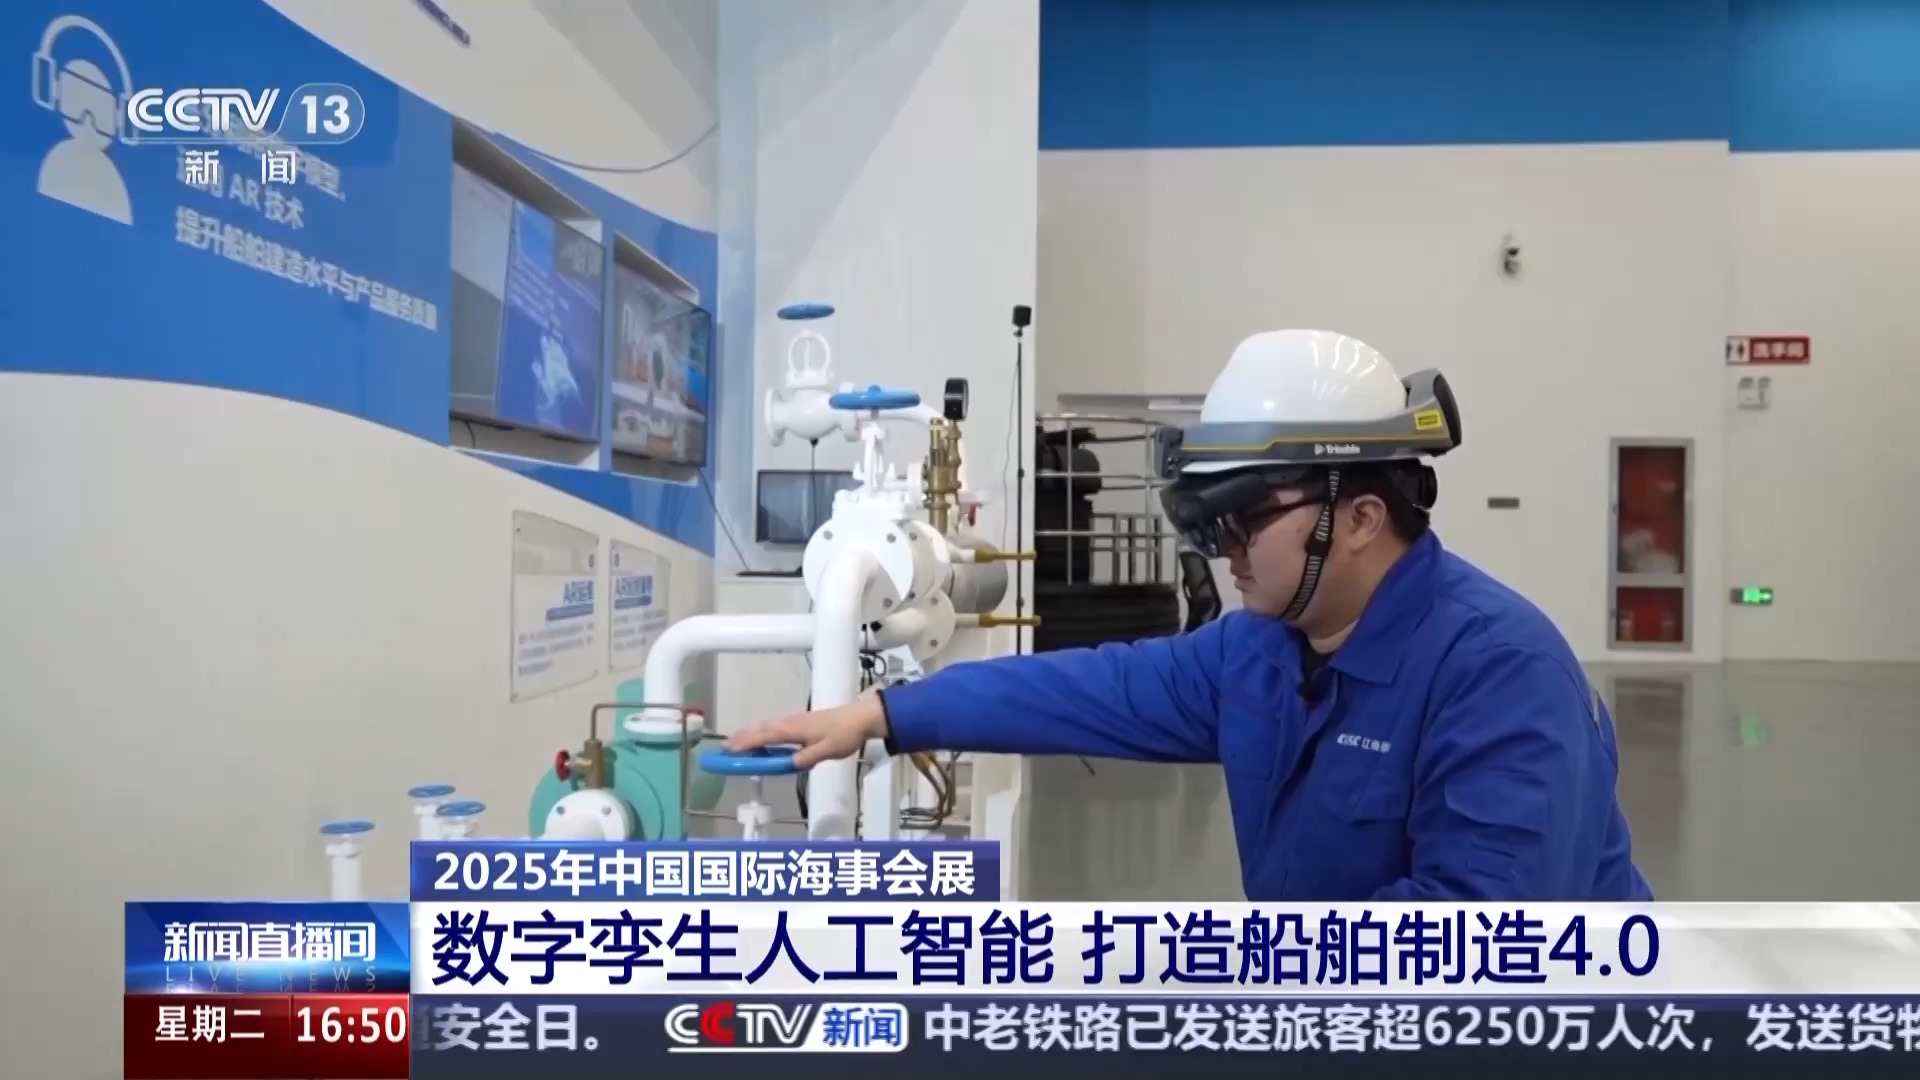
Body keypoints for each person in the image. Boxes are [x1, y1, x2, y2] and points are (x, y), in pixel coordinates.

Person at [729, 329, 1652, 902]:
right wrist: (883, 714)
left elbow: (1482, 942)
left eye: (1246, 518)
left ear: (1363, 518)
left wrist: (1234, 986)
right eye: (1211, 524)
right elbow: (1088, 690)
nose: (1225, 550)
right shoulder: (1260, 650)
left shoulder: (1499, 674)